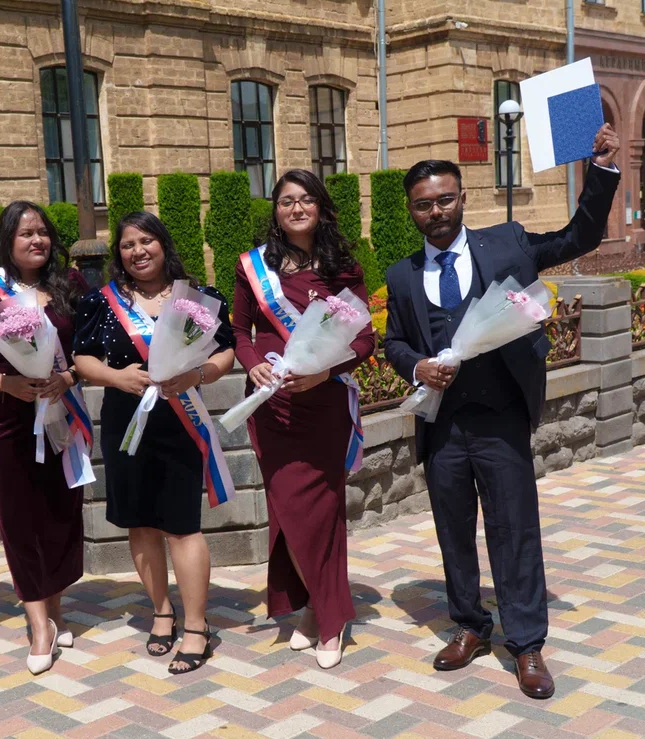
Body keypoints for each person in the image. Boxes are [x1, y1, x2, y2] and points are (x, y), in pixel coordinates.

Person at [383, 124, 621, 699]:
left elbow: (580, 235)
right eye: (423, 205)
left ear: (463, 198)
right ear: (412, 211)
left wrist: (601, 171)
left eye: (445, 199)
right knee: (453, 531)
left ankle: (527, 642)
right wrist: (417, 367)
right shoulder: (401, 275)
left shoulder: (508, 243)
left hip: (501, 418)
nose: (436, 211)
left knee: (514, 530)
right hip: (443, 425)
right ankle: (469, 625)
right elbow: (394, 343)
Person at [74, 212, 235, 674]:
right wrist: (115, 377)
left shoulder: (198, 298)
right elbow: (81, 357)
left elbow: (226, 350)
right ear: (119, 254)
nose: (138, 251)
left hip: (181, 419)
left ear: (163, 245)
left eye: (146, 241)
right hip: (126, 421)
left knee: (183, 525)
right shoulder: (101, 302)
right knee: (140, 522)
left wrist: (198, 374)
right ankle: (162, 612)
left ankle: (197, 626)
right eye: (128, 245)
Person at [232, 169, 374, 670]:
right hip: (272, 406)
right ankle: (316, 607)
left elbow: (364, 340)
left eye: (306, 199)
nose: (296, 208)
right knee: (289, 512)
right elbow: (240, 332)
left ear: (321, 208)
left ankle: (328, 618)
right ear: (275, 210)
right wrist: (253, 364)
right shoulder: (253, 267)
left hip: (324, 403)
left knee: (323, 511)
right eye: (286, 200)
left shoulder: (343, 267)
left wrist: (324, 373)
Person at [0, 201, 90, 676]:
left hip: (62, 414)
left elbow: (89, 347)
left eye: (42, 232)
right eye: (25, 233)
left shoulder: (69, 283)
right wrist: (3, 382)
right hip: (7, 419)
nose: (36, 240)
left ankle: (57, 607)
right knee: (19, 519)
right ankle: (38, 624)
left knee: (59, 513)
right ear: (7, 241)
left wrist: (68, 377)